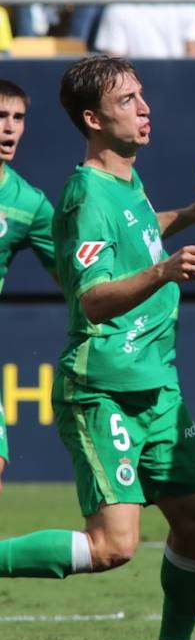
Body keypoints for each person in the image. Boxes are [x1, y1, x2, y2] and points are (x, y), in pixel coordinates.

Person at [0, 55, 195, 640]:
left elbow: (133, 238)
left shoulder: (126, 185)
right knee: (114, 548)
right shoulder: (85, 193)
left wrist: (188, 215)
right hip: (105, 387)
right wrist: (164, 270)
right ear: (93, 119)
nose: (144, 107)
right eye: (128, 100)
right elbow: (91, 294)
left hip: (158, 385)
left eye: (142, 96)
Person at [0, 78, 57, 491]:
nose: (10, 128)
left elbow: (78, 270)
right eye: (1, 116)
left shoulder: (28, 203)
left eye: (18, 118)